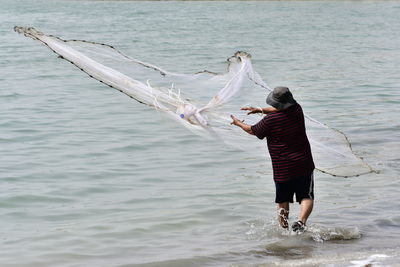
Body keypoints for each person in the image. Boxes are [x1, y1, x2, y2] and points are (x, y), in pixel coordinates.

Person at [230, 86, 315, 232]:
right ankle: (301, 222)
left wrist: (238, 123)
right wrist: (260, 110)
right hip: (303, 163)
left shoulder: (270, 121)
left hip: (283, 168)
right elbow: (282, 109)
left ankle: (285, 232)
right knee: (306, 196)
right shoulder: (297, 109)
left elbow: (252, 130)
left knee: (283, 200)